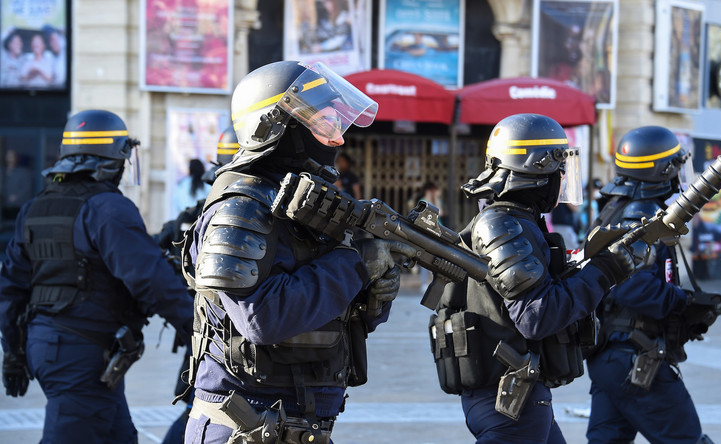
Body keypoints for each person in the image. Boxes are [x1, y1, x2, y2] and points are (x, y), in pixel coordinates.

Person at [181, 60, 415, 443]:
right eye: (325, 124)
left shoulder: (305, 208)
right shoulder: (242, 207)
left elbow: (336, 318)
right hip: (247, 425)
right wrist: (356, 264)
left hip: (300, 423)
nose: (338, 139)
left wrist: (375, 288)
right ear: (280, 126)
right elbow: (263, 319)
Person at [430, 113, 646, 444]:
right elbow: (537, 315)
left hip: (522, 394)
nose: (561, 179)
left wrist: (589, 266)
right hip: (507, 401)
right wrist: (604, 273)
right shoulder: (501, 225)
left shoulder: (519, 222)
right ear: (537, 172)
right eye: (558, 171)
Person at [0, 109, 194, 444]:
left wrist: (14, 352)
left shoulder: (35, 208)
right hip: (82, 354)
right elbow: (150, 278)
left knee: (117, 436)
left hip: (50, 348)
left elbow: (10, 288)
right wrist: (199, 329)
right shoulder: (107, 208)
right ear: (111, 159)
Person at [585, 126, 714, 444]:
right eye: (676, 165)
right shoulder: (639, 219)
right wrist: (683, 303)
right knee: (687, 439)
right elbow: (633, 288)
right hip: (634, 355)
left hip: (613, 356)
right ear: (663, 170)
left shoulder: (617, 211)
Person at [159, 125, 239, 444]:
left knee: (197, 407)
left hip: (203, 336)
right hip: (225, 344)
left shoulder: (191, 218)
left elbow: (155, 256)